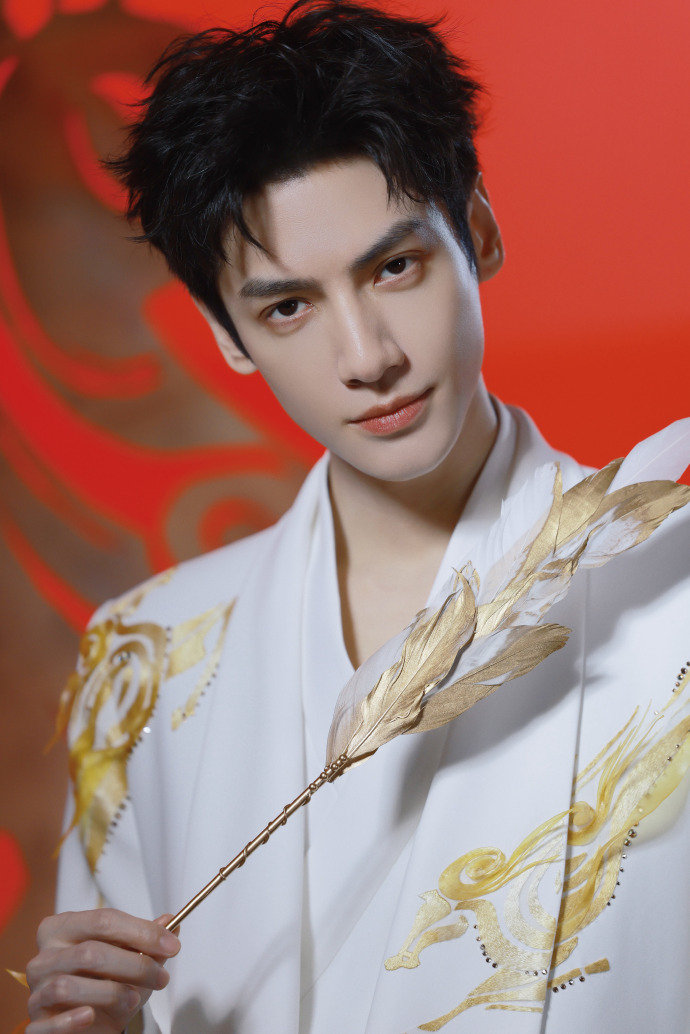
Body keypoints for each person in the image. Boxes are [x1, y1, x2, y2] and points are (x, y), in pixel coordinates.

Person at [24, 2, 690, 1032]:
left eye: (394, 267)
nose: (367, 356)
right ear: (228, 332)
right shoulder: (142, 660)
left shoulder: (674, 599)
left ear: (478, 233)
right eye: (288, 306)